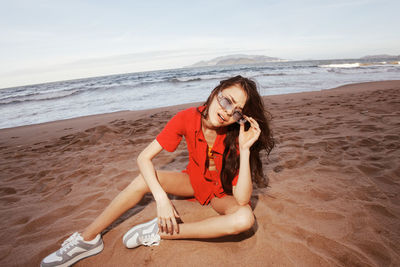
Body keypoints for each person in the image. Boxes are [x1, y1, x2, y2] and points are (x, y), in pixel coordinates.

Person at [41, 75, 274, 267]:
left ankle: (164, 232)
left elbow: (242, 199)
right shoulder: (185, 118)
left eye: (236, 111)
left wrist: (244, 150)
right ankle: (88, 239)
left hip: (220, 196)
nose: (227, 112)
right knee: (145, 178)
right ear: (216, 92)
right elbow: (144, 157)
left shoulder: (237, 136)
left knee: (245, 218)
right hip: (192, 182)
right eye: (226, 101)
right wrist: (162, 199)